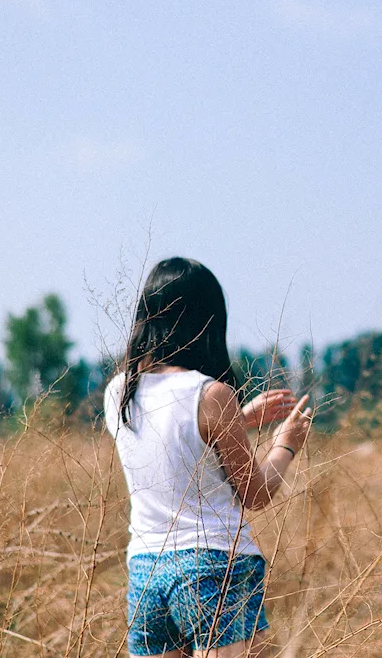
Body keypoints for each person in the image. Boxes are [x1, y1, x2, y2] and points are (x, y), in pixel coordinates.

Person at [104, 257, 312, 658]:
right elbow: (255, 494)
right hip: (214, 569)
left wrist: (241, 421)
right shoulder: (212, 395)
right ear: (207, 322)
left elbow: (171, 448)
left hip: (147, 573)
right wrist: (286, 443)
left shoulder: (118, 394)